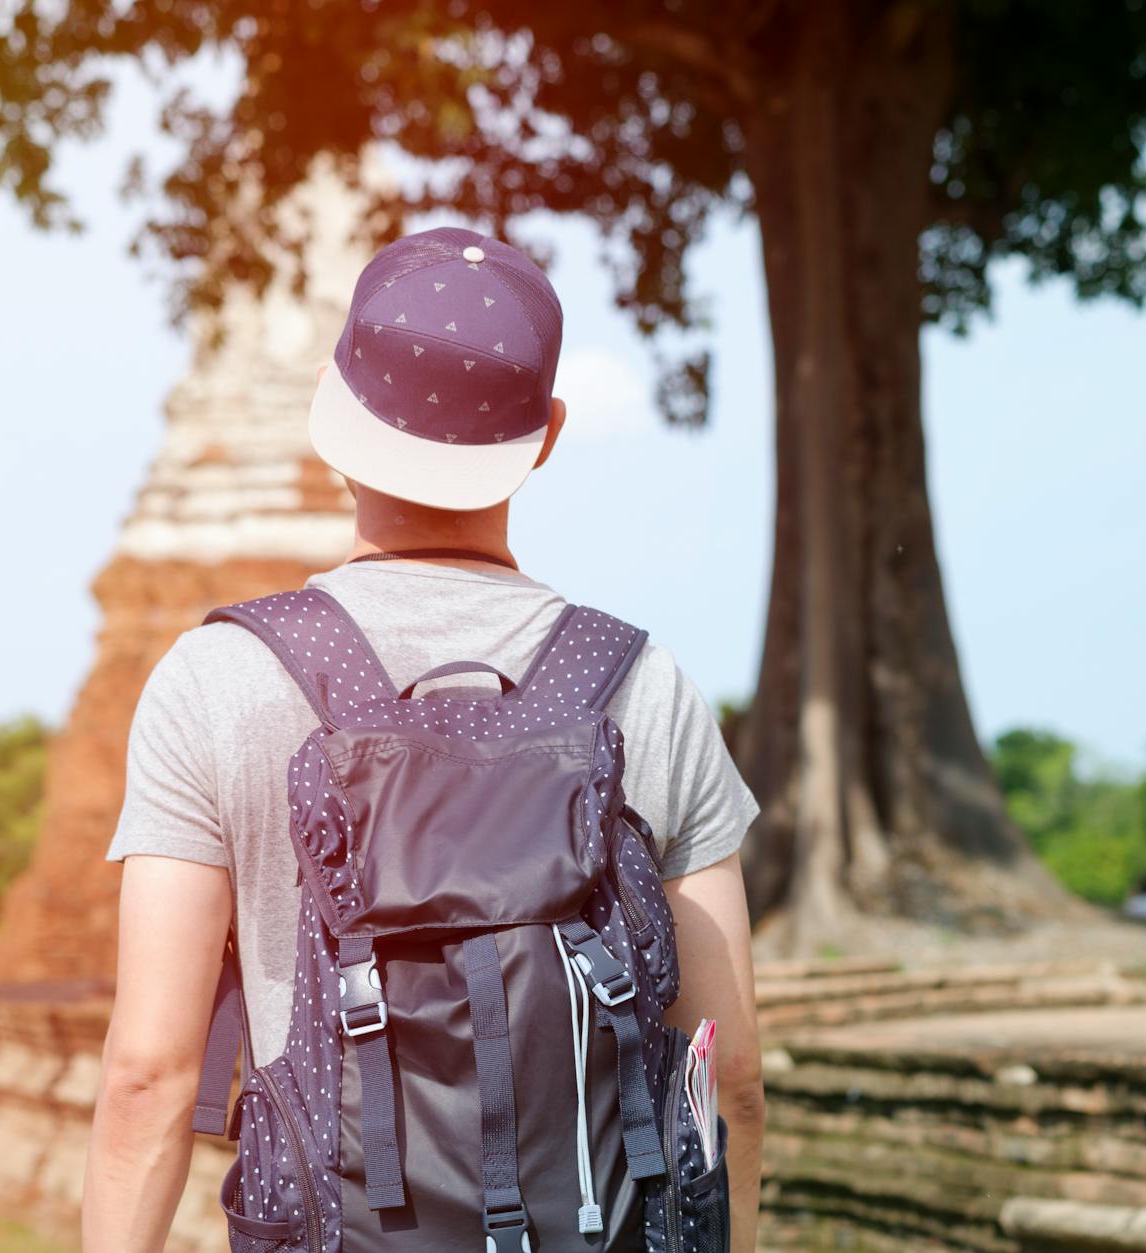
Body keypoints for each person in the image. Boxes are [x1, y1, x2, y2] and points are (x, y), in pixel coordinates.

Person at [81, 226, 766, 1251]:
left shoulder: (219, 679)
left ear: (331, 407)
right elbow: (727, 1074)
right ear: (546, 434)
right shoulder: (644, 689)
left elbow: (148, 1074)